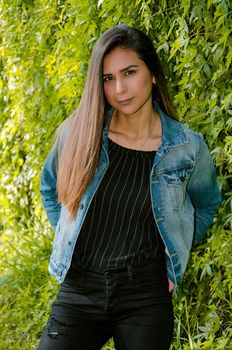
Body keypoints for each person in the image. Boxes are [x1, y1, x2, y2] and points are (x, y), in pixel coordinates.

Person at [38, 24, 221, 350]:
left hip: (144, 293)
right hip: (80, 287)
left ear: (152, 73)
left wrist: (174, 259)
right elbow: (51, 189)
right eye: (108, 78)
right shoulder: (80, 134)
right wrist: (68, 236)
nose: (120, 88)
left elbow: (206, 204)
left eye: (129, 72)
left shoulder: (187, 148)